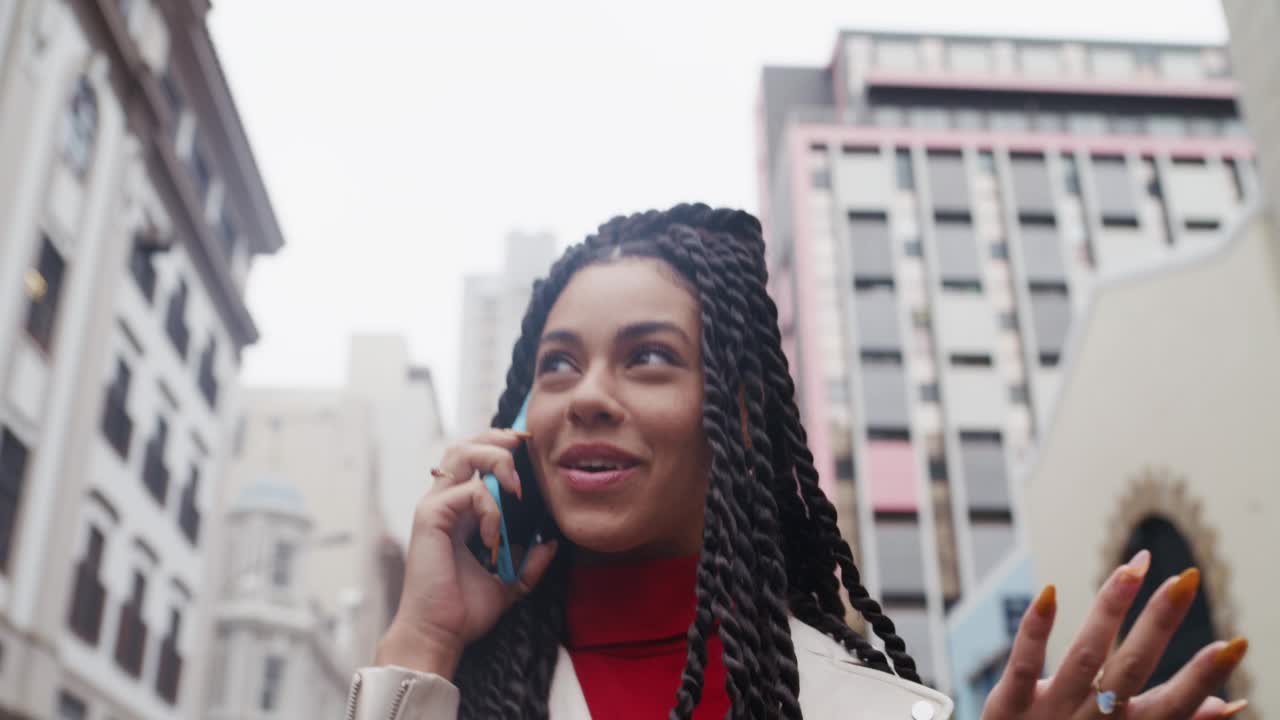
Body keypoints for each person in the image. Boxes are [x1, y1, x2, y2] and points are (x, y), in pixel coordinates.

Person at [345, 205, 1250, 719]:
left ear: (738, 417)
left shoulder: (888, 714)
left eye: (649, 357)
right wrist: (421, 640)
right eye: (559, 364)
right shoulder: (436, 692)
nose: (586, 395)